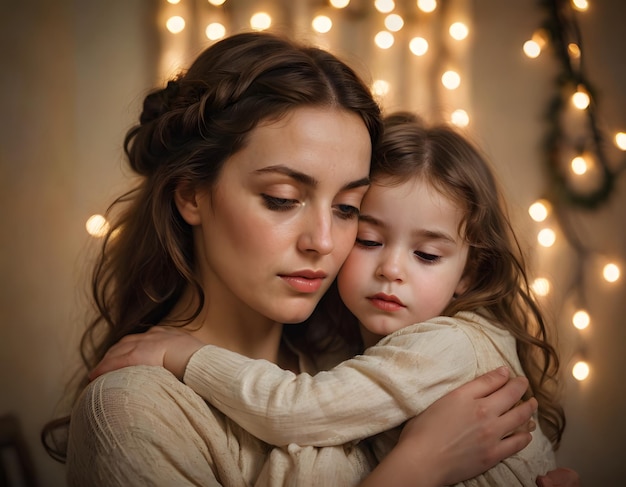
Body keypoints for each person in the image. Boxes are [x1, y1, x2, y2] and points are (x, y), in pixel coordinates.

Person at [43, 31, 554, 486]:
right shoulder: (134, 410)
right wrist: (418, 468)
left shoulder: (351, 356)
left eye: (349, 208)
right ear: (191, 195)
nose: (324, 242)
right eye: (283, 199)